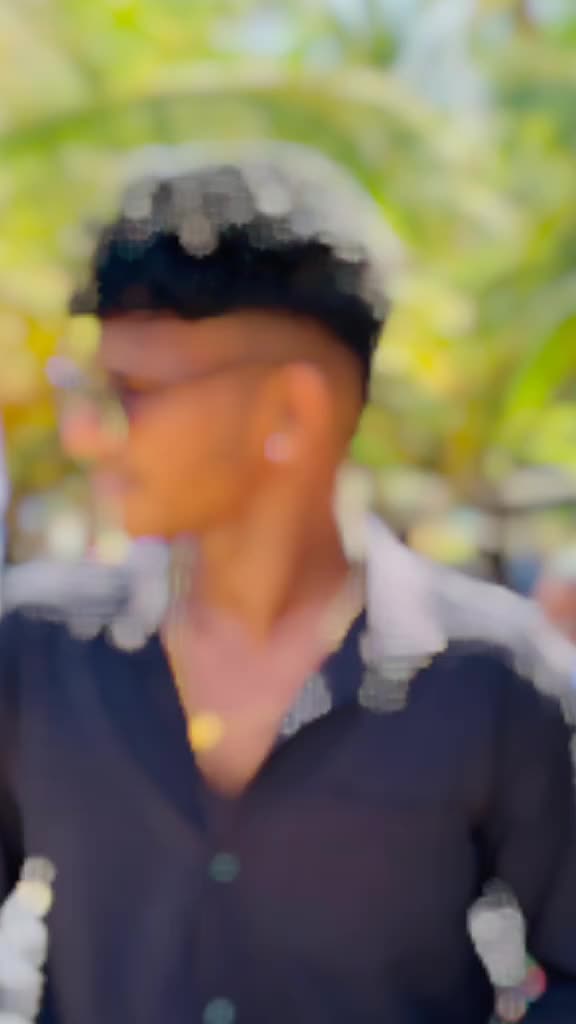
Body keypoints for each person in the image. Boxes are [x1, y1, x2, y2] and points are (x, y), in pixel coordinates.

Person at [1, 145, 575, 1024]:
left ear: (290, 412)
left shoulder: (500, 682)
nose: (85, 433)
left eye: (132, 392)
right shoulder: (32, 654)